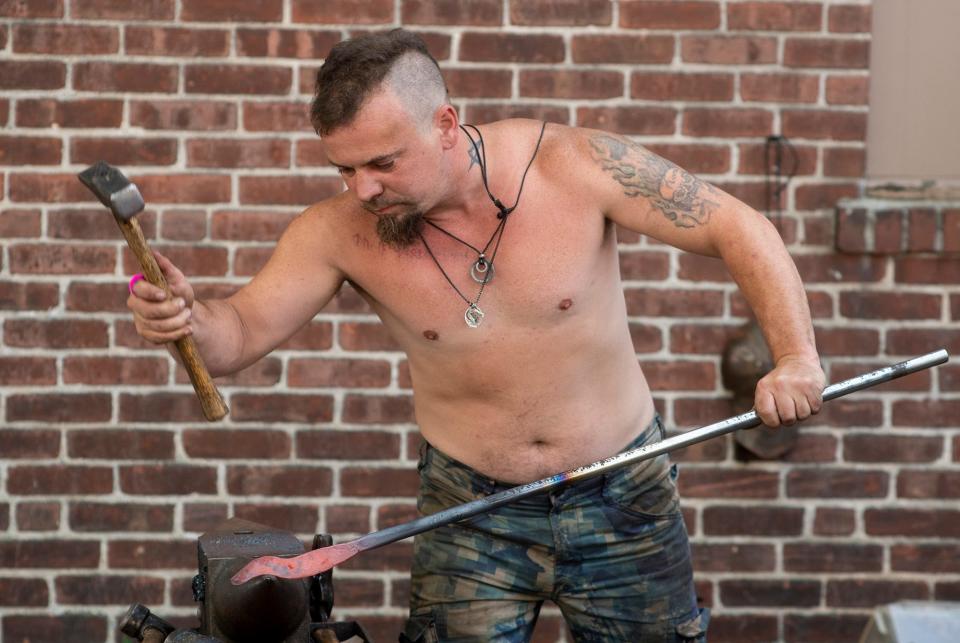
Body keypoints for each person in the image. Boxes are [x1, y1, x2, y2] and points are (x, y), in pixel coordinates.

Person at [128, 29, 824, 643]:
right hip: (469, 512)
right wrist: (187, 321)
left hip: (622, 492)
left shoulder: (573, 166)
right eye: (344, 168)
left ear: (446, 124)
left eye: (383, 162)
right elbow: (241, 331)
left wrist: (794, 357)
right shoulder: (338, 230)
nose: (362, 189)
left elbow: (739, 227)